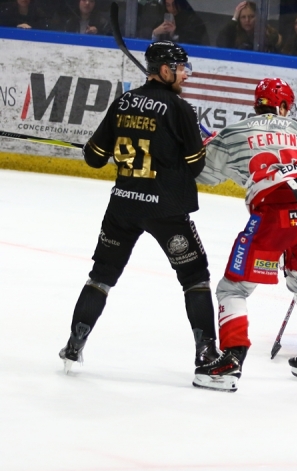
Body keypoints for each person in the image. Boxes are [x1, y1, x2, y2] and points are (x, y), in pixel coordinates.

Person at [58, 41, 220, 384]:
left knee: (101, 275)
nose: (184, 74)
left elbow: (94, 157)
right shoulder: (180, 109)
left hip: (124, 206)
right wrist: (194, 147)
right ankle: (206, 356)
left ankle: (75, 343)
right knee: (195, 278)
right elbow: (195, 165)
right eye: (179, 67)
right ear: (164, 70)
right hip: (167, 210)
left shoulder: (123, 102)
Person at [194, 78, 297, 390]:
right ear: (285, 106)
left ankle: (232, 360)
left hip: (274, 216)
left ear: (256, 104)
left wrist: (203, 147)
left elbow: (204, 174)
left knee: (232, 289)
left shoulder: (234, 132)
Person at [216, 1, 282, 52]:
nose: (247, 20)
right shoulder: (233, 34)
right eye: (243, 17)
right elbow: (221, 43)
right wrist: (234, 19)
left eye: (251, 16)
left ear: (258, 17)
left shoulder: (269, 34)